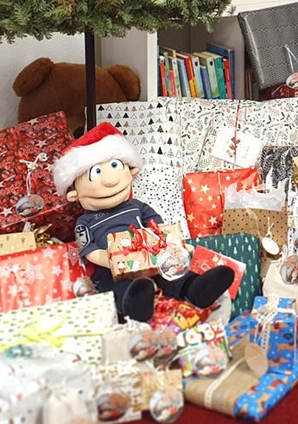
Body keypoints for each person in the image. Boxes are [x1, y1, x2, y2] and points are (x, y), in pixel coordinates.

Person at [53, 122, 234, 322]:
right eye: (96, 172)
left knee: (172, 272)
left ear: (131, 172)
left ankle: (196, 289)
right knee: (116, 288)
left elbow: (158, 227)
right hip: (111, 272)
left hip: (149, 260)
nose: (110, 181)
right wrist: (115, 261)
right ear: (74, 194)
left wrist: (173, 245)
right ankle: (136, 305)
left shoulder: (136, 206)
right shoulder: (84, 222)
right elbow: (90, 251)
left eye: (115, 166)